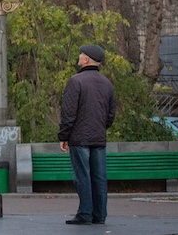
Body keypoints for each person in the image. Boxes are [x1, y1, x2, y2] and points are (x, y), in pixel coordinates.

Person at [59, 44, 116, 225]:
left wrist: (64, 136)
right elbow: (111, 114)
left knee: (82, 176)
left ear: (86, 60)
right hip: (99, 138)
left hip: (79, 138)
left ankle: (85, 214)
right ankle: (100, 215)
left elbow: (69, 113)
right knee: (99, 177)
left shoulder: (76, 81)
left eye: (81, 55)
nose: (79, 57)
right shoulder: (107, 83)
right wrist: (100, 127)